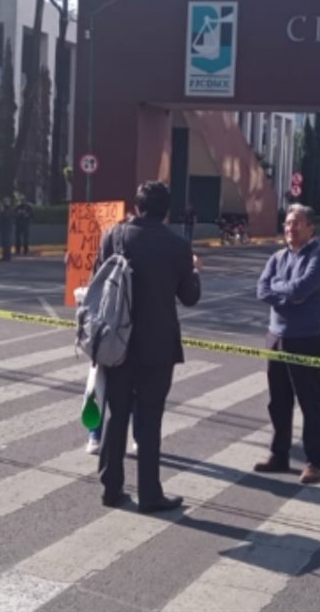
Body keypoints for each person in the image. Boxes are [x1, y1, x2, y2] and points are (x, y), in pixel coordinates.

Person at [97, 181, 201, 513]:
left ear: (137, 206)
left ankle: (111, 488)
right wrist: (194, 271)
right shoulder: (177, 245)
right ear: (167, 211)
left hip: (117, 341)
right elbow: (190, 297)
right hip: (157, 345)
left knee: (117, 415)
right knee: (151, 418)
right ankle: (149, 494)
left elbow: (97, 283)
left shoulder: (113, 236)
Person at [255, 203, 320, 485]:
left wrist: (281, 288)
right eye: (287, 223)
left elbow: (301, 290)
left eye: (296, 223)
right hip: (276, 337)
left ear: (311, 227)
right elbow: (261, 290)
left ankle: (315, 461)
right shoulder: (277, 257)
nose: (290, 228)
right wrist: (286, 292)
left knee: (311, 402)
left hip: (306, 339)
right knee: (278, 402)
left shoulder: (319, 257)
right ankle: (280, 454)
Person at [0, 197, 14, 262]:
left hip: (7, 227)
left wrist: (2, 211)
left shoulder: (9, 209)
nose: (4, 203)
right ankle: (5, 256)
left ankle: (7, 256)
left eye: (6, 201)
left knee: (6, 242)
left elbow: (6, 216)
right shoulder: (5, 208)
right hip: (4, 227)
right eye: (4, 201)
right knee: (4, 242)